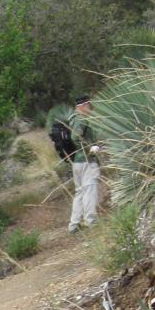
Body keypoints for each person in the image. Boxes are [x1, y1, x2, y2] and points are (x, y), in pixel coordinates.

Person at [67, 94, 101, 233]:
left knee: (79, 192)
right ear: (82, 106)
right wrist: (90, 149)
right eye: (88, 106)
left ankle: (74, 224)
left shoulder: (73, 119)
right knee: (90, 189)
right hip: (87, 160)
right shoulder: (81, 119)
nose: (90, 108)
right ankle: (90, 221)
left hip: (77, 162)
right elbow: (76, 137)